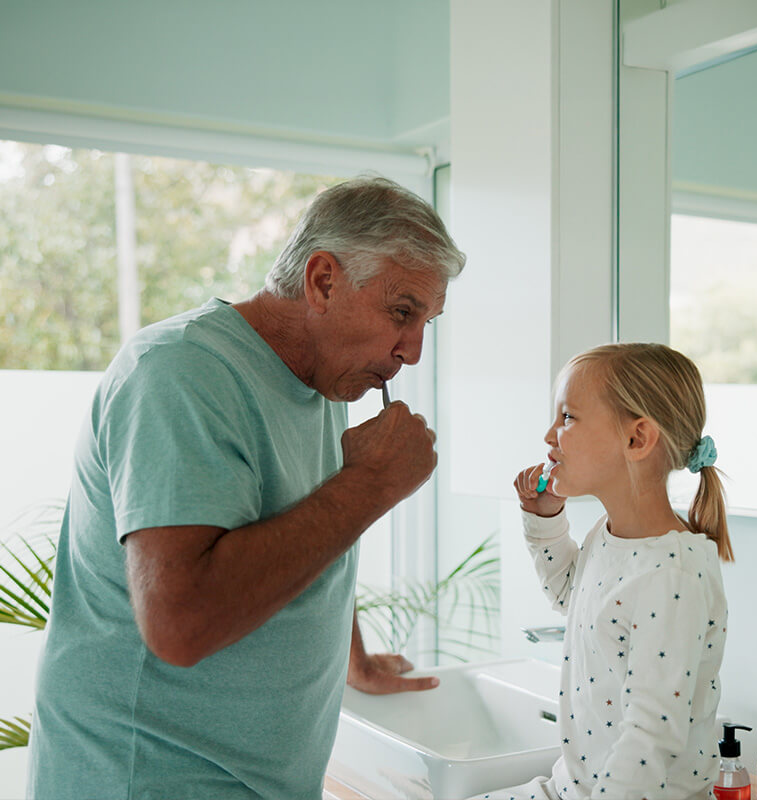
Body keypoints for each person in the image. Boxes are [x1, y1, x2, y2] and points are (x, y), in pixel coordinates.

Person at [27, 176, 465, 799]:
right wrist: (369, 484)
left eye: (426, 321)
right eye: (402, 312)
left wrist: (355, 660)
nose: (413, 352)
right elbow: (180, 625)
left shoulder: (326, 383)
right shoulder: (180, 374)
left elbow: (305, 536)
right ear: (323, 281)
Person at [494, 343, 731, 800]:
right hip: (572, 788)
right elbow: (570, 596)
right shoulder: (610, 535)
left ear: (636, 439)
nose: (549, 435)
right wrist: (544, 519)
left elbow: (649, 739)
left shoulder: (672, 573)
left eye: (567, 417)